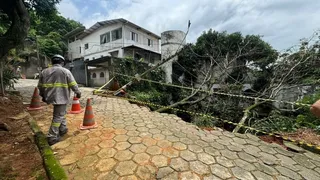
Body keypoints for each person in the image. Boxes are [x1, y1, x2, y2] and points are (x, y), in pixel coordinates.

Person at [37, 55, 81, 145]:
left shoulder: (44, 71)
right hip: (61, 97)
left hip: (49, 96)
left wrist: (43, 95)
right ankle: (52, 136)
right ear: (62, 62)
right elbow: (73, 84)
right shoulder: (65, 71)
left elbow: (40, 86)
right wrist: (78, 92)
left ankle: (63, 129)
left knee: (61, 113)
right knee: (58, 116)